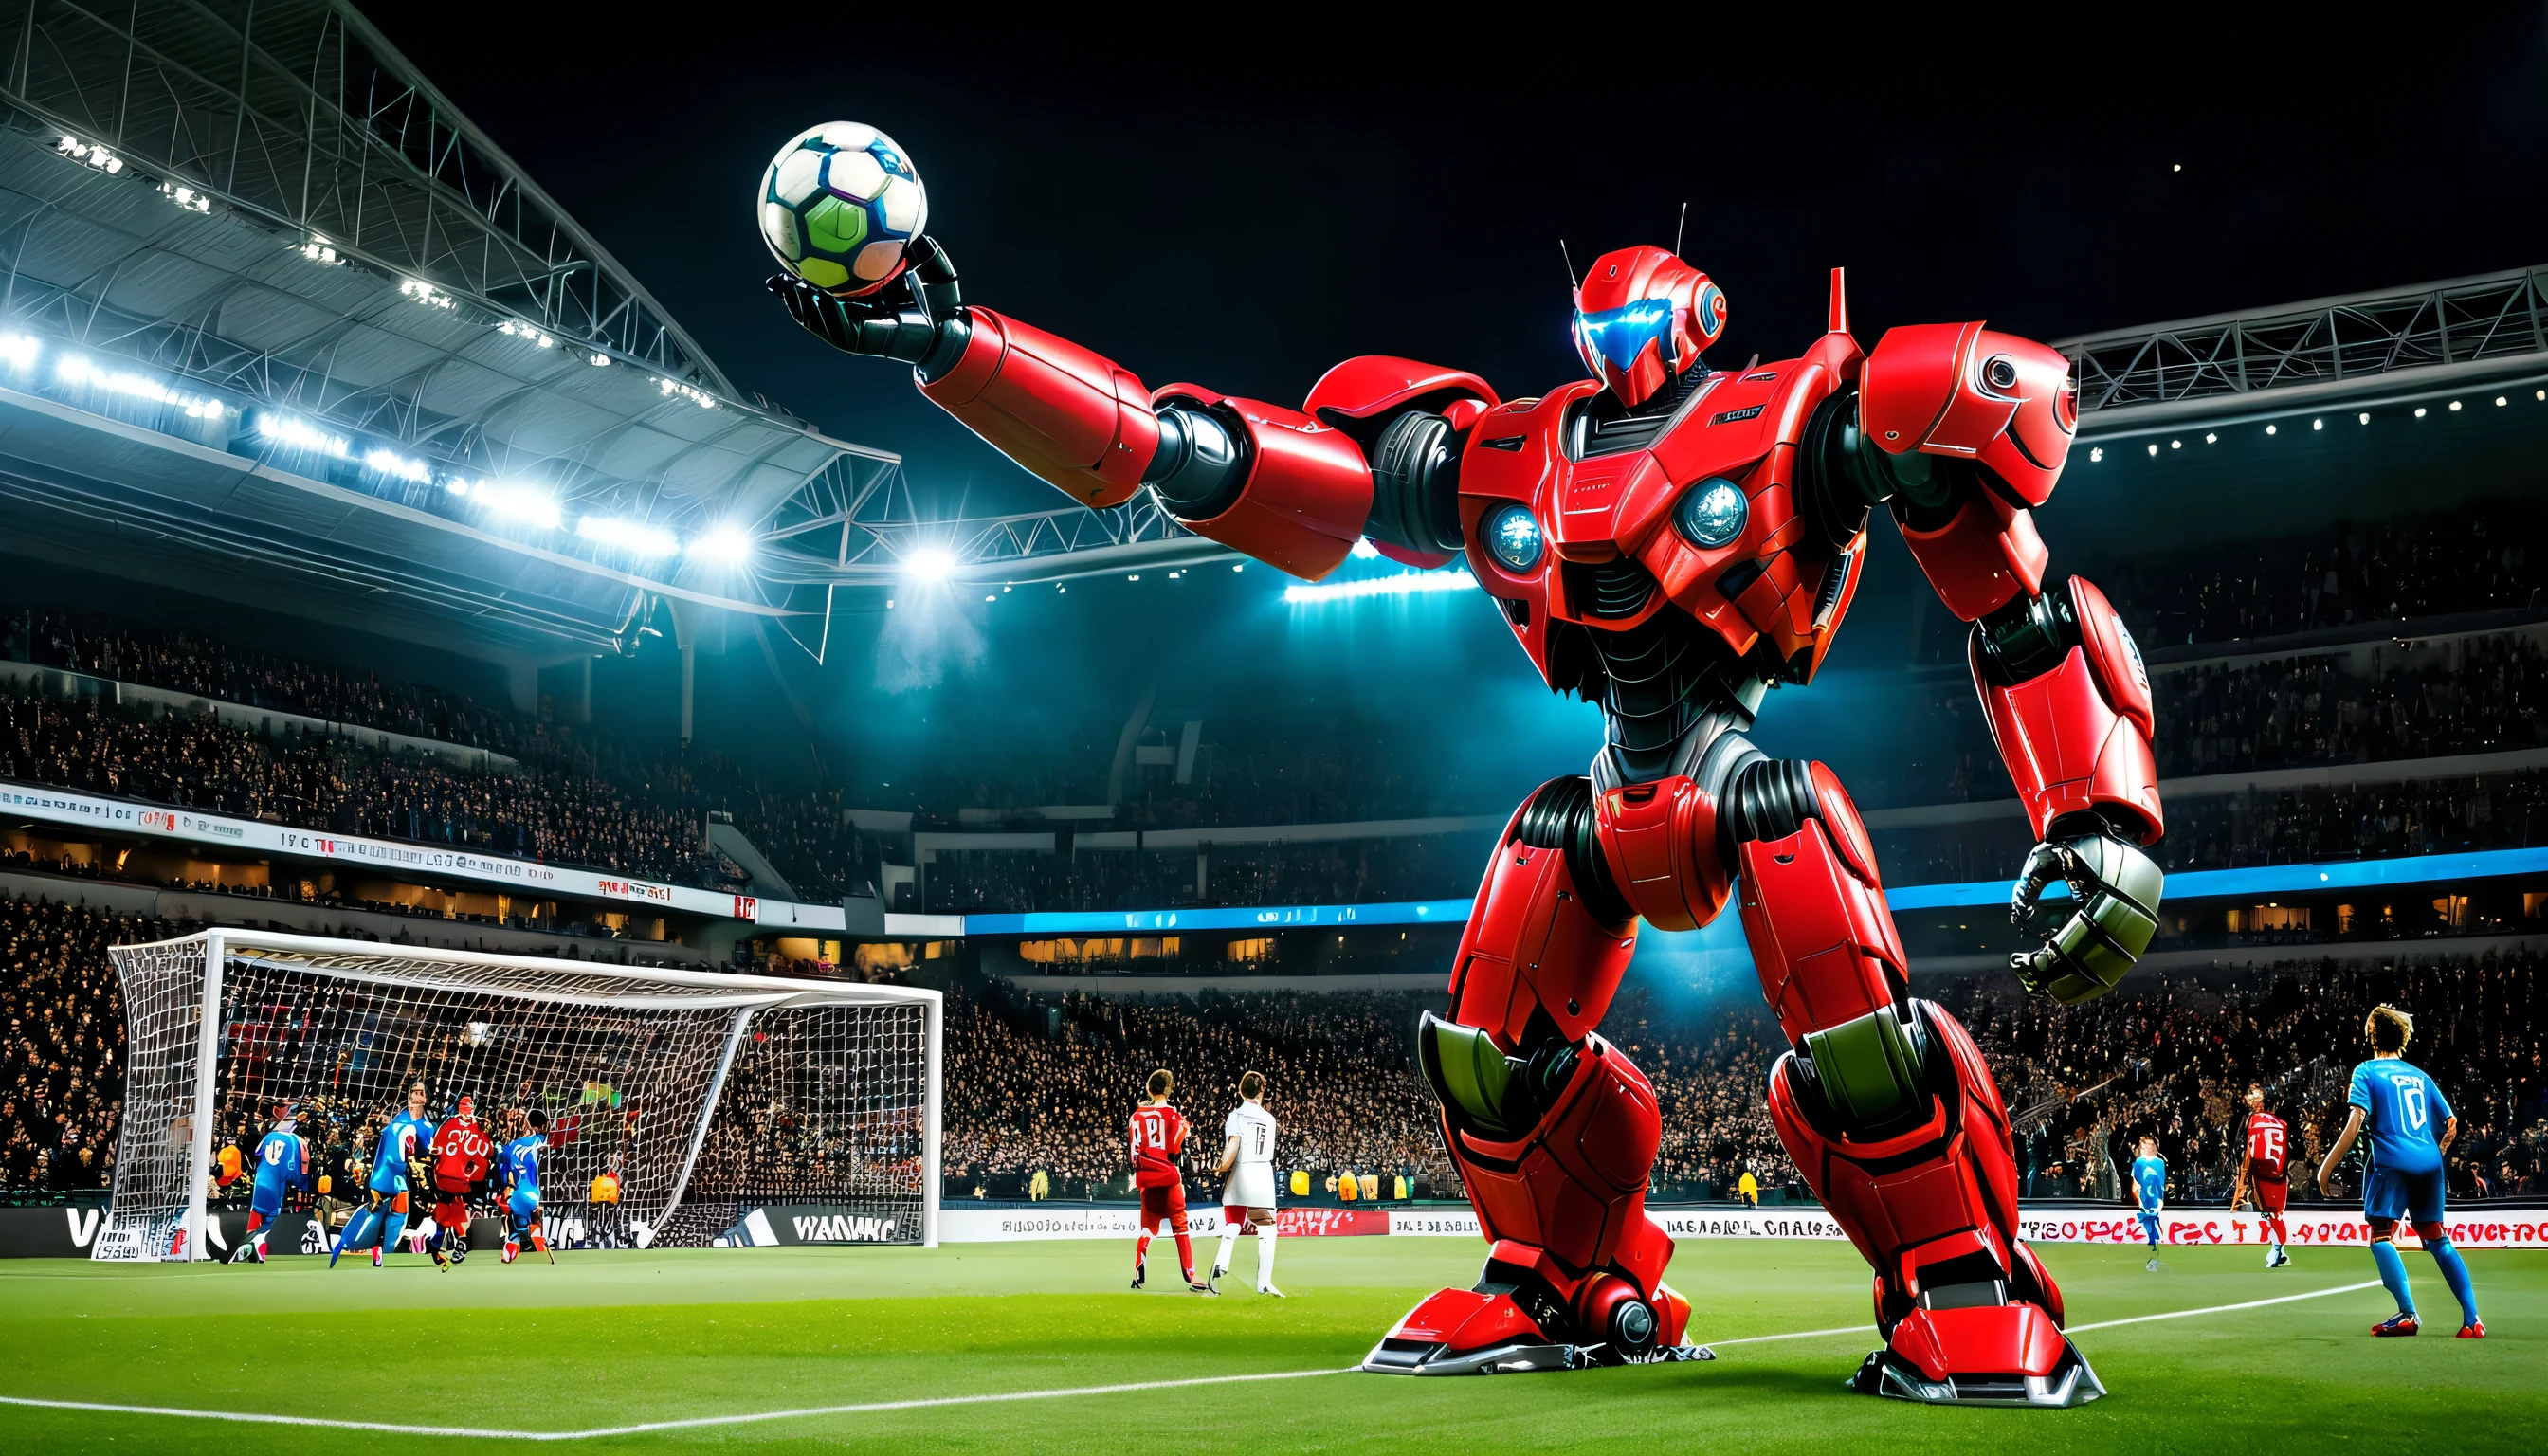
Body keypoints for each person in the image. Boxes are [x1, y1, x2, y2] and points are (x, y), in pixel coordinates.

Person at [2316, 1005, 2484, 1338]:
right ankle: (2472, 1320)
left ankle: (2408, 1314)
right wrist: (2436, 1152)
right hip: (2429, 1164)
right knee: (2437, 1237)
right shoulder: (2420, 1076)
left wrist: (2325, 1170)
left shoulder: (2366, 1071)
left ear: (2370, 1036)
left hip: (2392, 1161)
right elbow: (2451, 1123)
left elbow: (2354, 1126)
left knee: (2380, 1236)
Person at [330, 1082, 435, 1269]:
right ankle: (350, 1241)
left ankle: (382, 1252)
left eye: (421, 1093)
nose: (418, 1097)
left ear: (426, 1098)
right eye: (415, 1092)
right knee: (380, 1211)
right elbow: (409, 1156)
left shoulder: (425, 1126)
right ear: (409, 1096)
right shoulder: (399, 1124)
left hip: (398, 1176)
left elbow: (425, 1153)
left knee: (395, 1213)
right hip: (390, 1174)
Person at [1127, 1068, 1210, 1294]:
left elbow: (1134, 1153)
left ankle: (1137, 1273)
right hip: (1167, 1173)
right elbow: (1174, 1147)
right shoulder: (1172, 1115)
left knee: (1148, 1227)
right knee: (1180, 1225)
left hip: (1146, 1175)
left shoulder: (1135, 1116)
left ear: (1149, 1089)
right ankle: (1192, 1275)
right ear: (1168, 1088)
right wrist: (1183, 1125)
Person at [1209, 1069, 1283, 1297]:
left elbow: (1233, 1144)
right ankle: (1264, 1282)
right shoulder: (1270, 1119)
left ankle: (1220, 1265)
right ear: (1262, 1091)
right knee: (1267, 1228)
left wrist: (1221, 1166)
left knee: (1233, 1222)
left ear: (1241, 1091)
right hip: (1262, 1172)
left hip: (1242, 1170)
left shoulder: (1236, 1116)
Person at [228, 1103, 306, 1265]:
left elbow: (255, 1153)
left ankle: (252, 1249)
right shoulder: (292, 1139)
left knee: (257, 1214)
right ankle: (249, 1248)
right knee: (268, 1217)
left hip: (262, 1179)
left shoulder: (265, 1138)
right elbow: (295, 1168)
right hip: (276, 1183)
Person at [2227, 1084, 2293, 1269]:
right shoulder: (2282, 1123)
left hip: (2262, 1172)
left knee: (2271, 1215)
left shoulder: (2254, 1120)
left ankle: (2277, 1251)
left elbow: (2250, 1150)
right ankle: (2279, 1250)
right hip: (2279, 1172)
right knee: (2274, 1215)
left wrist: (2243, 1177)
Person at [426, 1095, 494, 1270]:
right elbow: (436, 1146)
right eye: (464, 1104)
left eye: (469, 1105)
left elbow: (488, 1151)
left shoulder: (478, 1127)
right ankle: (444, 1242)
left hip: (464, 1178)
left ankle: (448, 1242)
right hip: (447, 1175)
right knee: (447, 1208)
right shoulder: (450, 1125)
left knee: (452, 1208)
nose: (466, 1107)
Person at [499, 1108, 550, 1265]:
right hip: (533, 1191)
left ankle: (516, 1243)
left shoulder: (511, 1146)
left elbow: (502, 1159)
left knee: (516, 1225)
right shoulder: (537, 1140)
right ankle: (531, 1231)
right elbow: (544, 1134)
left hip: (519, 1190)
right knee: (524, 1218)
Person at [2130, 1137, 2167, 1271]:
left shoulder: (2159, 1163)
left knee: (2154, 1230)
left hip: (2156, 1201)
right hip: (2146, 1201)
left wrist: (2159, 1200)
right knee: (2150, 1230)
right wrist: (2140, 1198)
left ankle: (2154, 1259)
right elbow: (2136, 1183)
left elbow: (2161, 1182)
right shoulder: (2139, 1163)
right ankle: (2152, 1260)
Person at [590, 1157, 622, 1247]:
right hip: (606, 1202)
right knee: (607, 1219)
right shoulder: (609, 1178)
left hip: (606, 1202)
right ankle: (604, 1237)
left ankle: (607, 1238)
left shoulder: (611, 1177)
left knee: (610, 1219)